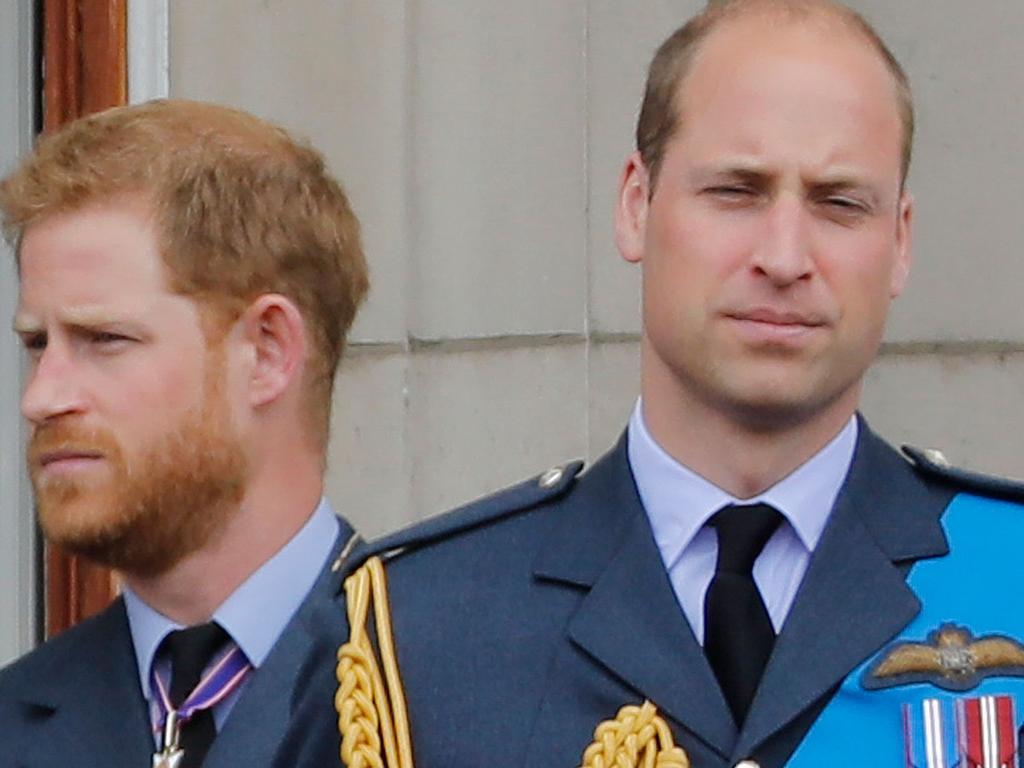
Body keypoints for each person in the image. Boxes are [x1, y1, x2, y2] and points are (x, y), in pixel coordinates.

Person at [276, 1, 1024, 767]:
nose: (785, 255)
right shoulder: (419, 635)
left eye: (839, 203)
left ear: (899, 242)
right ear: (636, 205)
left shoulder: (1010, 574)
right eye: (736, 190)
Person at [0, 100, 369, 768]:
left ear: (267, 351)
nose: (41, 397)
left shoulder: (452, 697)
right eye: (36, 343)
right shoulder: (15, 725)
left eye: (103, 339)